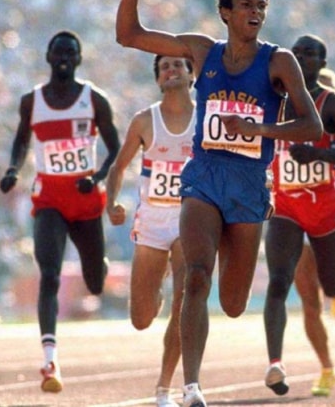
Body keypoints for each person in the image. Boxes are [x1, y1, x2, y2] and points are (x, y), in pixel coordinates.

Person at [116, 0, 323, 407]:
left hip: (249, 186)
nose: (256, 12)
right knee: (194, 277)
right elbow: (129, 36)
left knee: (232, 303)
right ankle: (192, 387)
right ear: (225, 12)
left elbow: (312, 127)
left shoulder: (279, 61)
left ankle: (195, 359)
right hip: (204, 178)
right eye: (246, 4)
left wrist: (261, 131)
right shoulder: (202, 50)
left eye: (262, 6)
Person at [0, 30, 120, 393]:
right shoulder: (31, 102)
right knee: (48, 274)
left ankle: (100, 267)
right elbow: (22, 140)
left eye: (71, 52)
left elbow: (115, 150)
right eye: (59, 51)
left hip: (85, 200)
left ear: (79, 59)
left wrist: (96, 176)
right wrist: (13, 169)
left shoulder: (94, 99)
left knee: (95, 282)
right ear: (49, 57)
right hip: (49, 197)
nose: (65, 56)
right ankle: (49, 358)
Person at [263, 34, 335, 396]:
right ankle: (275, 364)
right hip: (286, 207)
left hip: (325, 208)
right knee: (280, 281)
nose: (300, 57)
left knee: (330, 288)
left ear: (321, 64)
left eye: (309, 53)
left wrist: (320, 155)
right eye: (294, 52)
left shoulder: (332, 105)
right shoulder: (273, 101)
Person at [105, 55, 195, 407]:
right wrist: (111, 203)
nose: (171, 70)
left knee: (184, 301)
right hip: (153, 218)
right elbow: (118, 166)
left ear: (191, 74)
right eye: (164, 68)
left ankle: (165, 387)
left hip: (192, 217)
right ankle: (154, 290)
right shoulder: (145, 120)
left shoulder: (206, 119)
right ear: (158, 80)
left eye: (178, 65)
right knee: (141, 318)